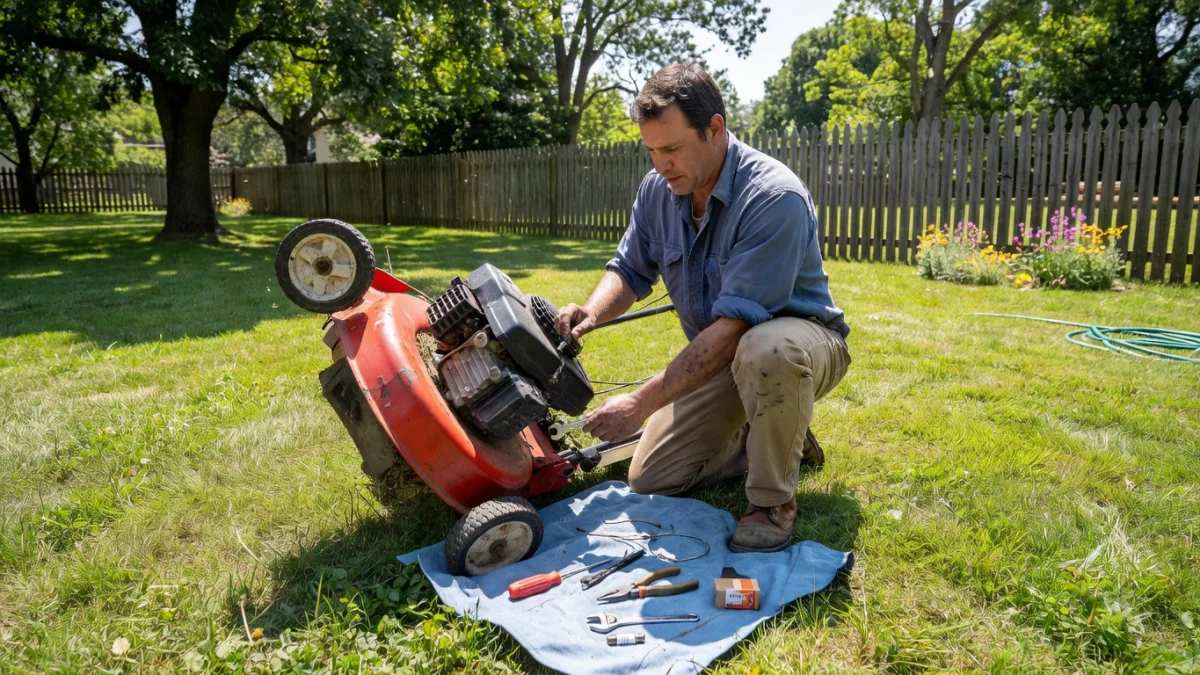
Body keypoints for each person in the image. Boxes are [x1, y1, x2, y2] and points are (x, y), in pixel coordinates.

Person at [555, 63, 851, 553]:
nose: (659, 165)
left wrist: (640, 403)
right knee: (651, 477)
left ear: (715, 128)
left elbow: (735, 330)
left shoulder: (773, 197)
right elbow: (629, 269)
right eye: (651, 151)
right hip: (729, 355)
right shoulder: (659, 191)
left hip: (799, 344)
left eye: (671, 149)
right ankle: (776, 435)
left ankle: (770, 502)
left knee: (766, 348)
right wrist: (590, 312)